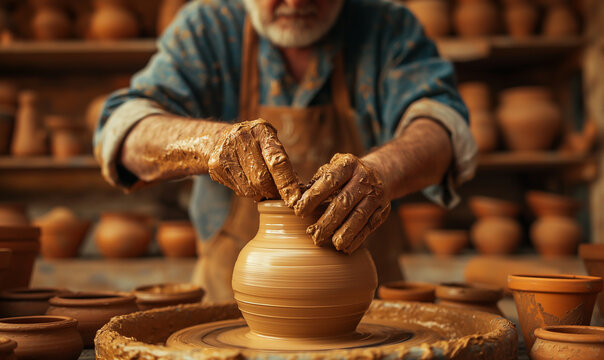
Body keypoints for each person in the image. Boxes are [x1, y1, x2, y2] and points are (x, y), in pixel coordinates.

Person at [94, 0, 477, 303]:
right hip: (229, 309)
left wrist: (384, 170)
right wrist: (210, 144)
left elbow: (444, 127)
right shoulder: (206, 28)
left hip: (368, 314)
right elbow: (123, 128)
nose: (296, 2)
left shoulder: (387, 26)